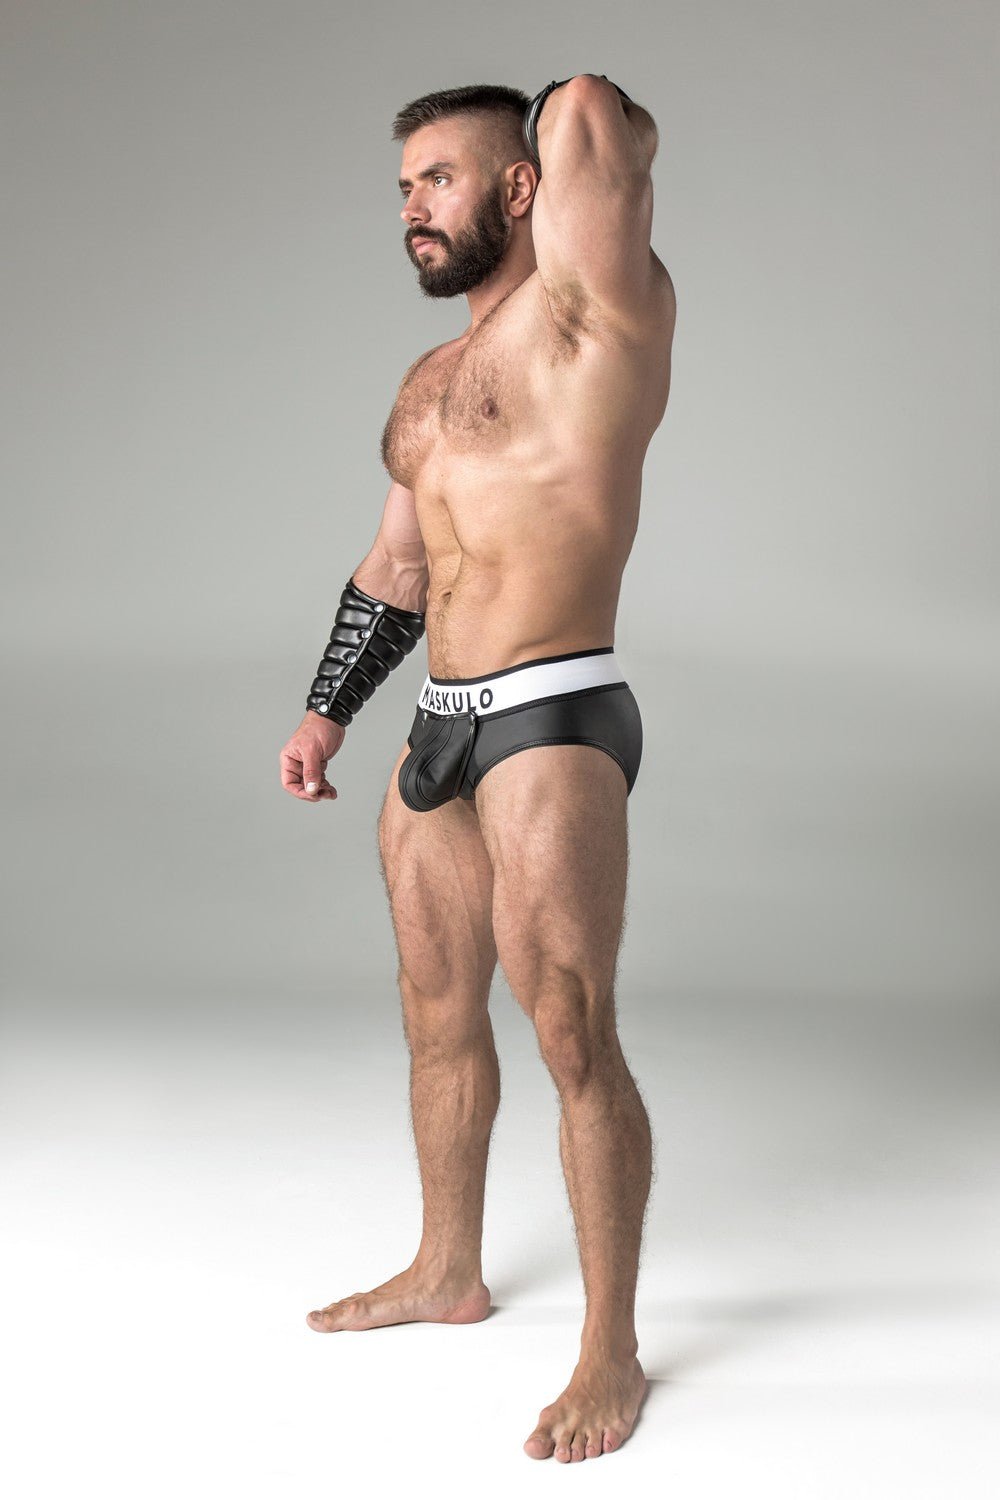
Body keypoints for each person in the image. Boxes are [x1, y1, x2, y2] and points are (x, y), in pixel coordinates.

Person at [278, 76, 675, 1462]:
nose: (413, 208)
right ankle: (448, 1268)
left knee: (570, 1030)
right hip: (440, 720)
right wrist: (327, 712)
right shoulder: (429, 384)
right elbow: (398, 563)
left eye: (440, 178)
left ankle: (611, 1349)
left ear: (523, 188)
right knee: (436, 1015)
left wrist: (555, 111)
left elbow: (598, 127)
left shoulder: (591, 317)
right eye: (403, 188)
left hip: (554, 714)